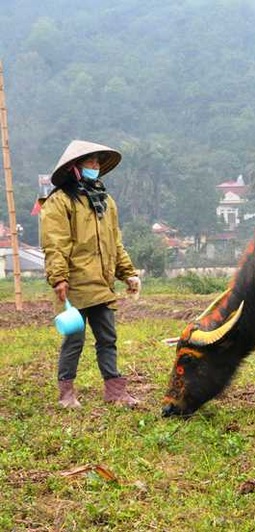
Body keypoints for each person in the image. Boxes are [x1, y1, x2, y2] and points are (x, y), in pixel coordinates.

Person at [40, 140, 142, 408]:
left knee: (108, 338)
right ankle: (66, 394)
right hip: (73, 285)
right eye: (90, 163)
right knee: (74, 339)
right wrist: (59, 278)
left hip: (102, 284)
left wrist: (128, 274)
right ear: (75, 168)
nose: (95, 167)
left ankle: (115, 391)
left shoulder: (106, 202)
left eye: (97, 163)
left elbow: (115, 243)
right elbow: (55, 243)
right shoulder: (59, 202)